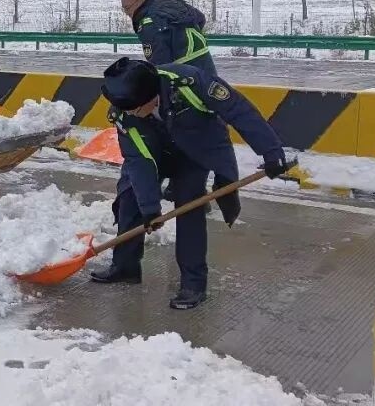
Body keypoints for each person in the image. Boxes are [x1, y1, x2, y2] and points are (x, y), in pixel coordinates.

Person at [93, 56, 289, 310]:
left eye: (133, 109)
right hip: (155, 154)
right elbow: (139, 161)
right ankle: (125, 266)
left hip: (195, 152)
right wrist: (150, 208)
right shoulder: (124, 113)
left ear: (151, 98)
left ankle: (193, 284)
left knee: (190, 205)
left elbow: (238, 110)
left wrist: (271, 152)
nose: (128, 114)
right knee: (129, 198)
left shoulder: (189, 82)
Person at [118, 0, 216, 76]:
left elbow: (161, 65)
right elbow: (201, 18)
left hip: (187, 80)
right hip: (207, 70)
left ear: (140, 1)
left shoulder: (149, 24)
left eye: (127, 7)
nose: (126, 12)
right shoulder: (172, 4)